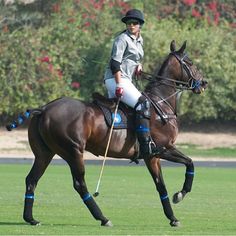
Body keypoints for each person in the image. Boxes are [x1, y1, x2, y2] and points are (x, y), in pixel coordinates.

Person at [104, 9, 161, 158]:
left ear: (140, 25)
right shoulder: (122, 39)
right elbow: (115, 64)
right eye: (129, 23)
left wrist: (138, 65)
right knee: (143, 104)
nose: (131, 25)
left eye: (134, 23)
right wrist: (119, 85)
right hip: (116, 78)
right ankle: (145, 144)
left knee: (132, 108)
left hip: (127, 79)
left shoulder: (139, 40)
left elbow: (134, 57)